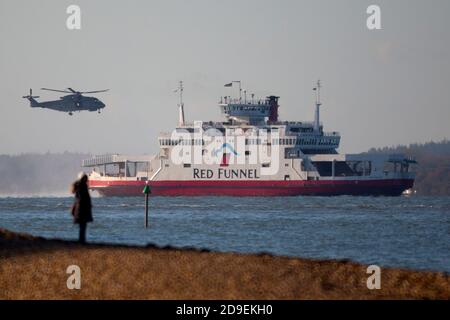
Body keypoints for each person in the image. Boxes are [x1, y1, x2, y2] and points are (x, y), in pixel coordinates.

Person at [71, 172, 93, 244]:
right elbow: (82, 198)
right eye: (86, 178)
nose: (87, 179)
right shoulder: (82, 186)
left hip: (80, 208)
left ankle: (81, 240)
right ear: (83, 178)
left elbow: (78, 198)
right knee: (83, 226)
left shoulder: (80, 186)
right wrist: (87, 205)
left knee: (82, 226)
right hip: (82, 209)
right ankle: (82, 240)